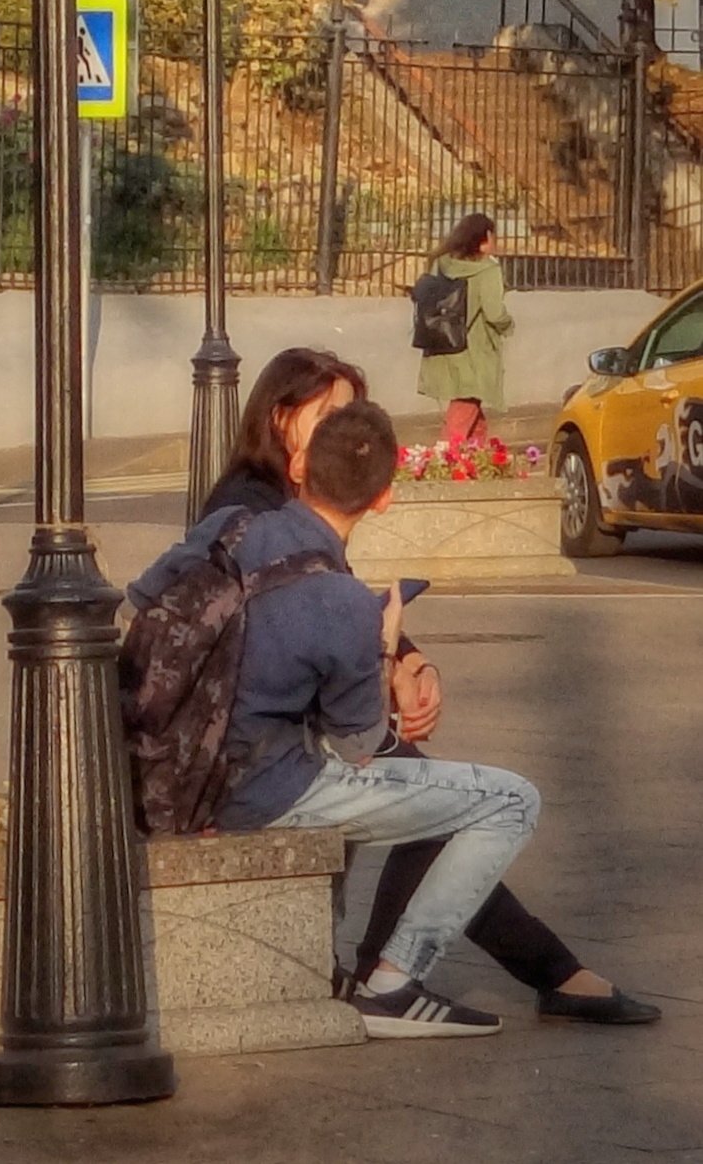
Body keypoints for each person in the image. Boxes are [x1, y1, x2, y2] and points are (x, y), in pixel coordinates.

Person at [197, 343, 655, 1028]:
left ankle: (469, 972)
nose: (343, 435)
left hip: (275, 742)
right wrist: (384, 670)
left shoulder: (290, 500)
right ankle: (427, 978)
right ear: (280, 414)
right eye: (328, 415)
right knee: (455, 795)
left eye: (351, 418)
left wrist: (412, 664)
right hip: (266, 758)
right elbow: (323, 644)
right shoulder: (250, 509)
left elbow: (340, 600)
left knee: (434, 792)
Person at [149, 393, 541, 1036]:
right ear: (384, 497)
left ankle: (325, 960)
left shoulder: (228, 528)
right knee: (512, 800)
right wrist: (384, 641)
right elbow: (362, 740)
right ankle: (393, 981)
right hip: (255, 792)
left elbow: (145, 597)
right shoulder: (344, 602)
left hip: (172, 769)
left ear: (300, 467)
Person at [421, 213, 513, 454]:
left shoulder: (440, 263)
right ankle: (443, 463)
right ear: (485, 238)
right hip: (475, 350)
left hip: (444, 343)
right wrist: (508, 325)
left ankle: (478, 461)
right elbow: (494, 313)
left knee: (475, 417)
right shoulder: (487, 270)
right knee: (465, 406)